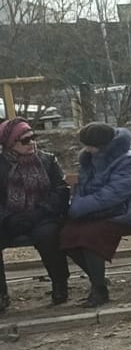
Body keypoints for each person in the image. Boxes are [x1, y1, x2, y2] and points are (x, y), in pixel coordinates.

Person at [59, 122, 131, 308]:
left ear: (103, 145)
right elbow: (83, 187)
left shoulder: (126, 160)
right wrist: (77, 205)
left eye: (90, 145)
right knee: (67, 235)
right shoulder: (90, 159)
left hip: (125, 210)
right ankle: (98, 280)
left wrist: (81, 207)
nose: (87, 149)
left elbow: (115, 193)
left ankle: (99, 289)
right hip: (99, 211)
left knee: (90, 236)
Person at [0, 118, 69, 312]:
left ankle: (60, 284)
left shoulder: (48, 160)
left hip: (43, 215)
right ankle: (1, 294)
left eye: (33, 137)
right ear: (10, 143)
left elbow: (61, 190)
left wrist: (39, 212)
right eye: (25, 140)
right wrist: (8, 218)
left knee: (48, 235)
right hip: (10, 219)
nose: (32, 143)